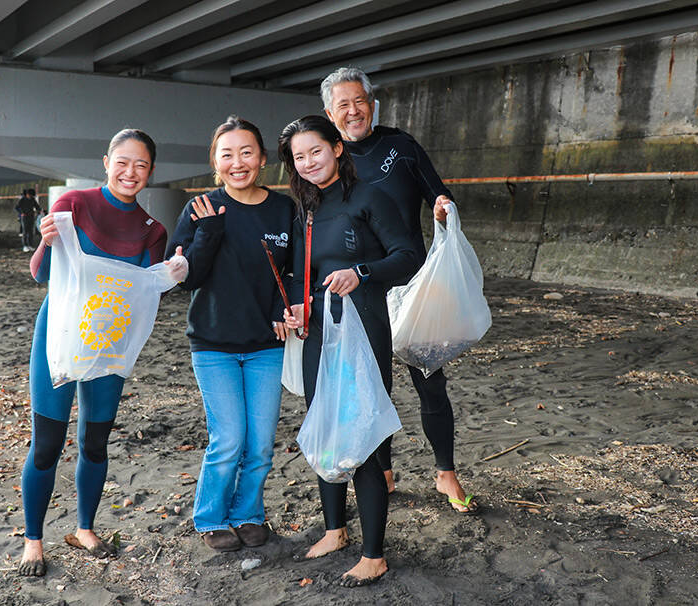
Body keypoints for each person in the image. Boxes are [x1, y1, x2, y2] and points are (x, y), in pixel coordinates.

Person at [19, 129, 183, 577]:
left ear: (151, 172)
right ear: (106, 161)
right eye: (123, 162)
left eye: (142, 165)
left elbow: (144, 295)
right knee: (47, 445)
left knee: (95, 441)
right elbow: (40, 276)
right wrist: (46, 241)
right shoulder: (73, 205)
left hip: (109, 345)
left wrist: (172, 273)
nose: (131, 172)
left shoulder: (153, 229)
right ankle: (33, 540)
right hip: (59, 337)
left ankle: (85, 527)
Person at [320, 67, 479, 514]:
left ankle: (445, 472)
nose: (352, 111)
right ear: (329, 114)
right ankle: (384, 470)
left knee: (430, 379)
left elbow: (438, 194)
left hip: (410, 282)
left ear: (372, 103)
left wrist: (445, 207)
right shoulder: (328, 160)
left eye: (359, 101)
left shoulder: (401, 147)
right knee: (373, 386)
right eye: (342, 105)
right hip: (360, 291)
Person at [279, 115, 416, 586]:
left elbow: (408, 255)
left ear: (338, 148)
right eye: (299, 157)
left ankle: (374, 553)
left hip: (364, 331)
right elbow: (300, 273)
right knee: (326, 426)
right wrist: (294, 306)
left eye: (316, 151)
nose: (308, 162)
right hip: (318, 334)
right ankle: (335, 530)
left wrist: (362, 271)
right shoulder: (303, 208)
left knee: (364, 433)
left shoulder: (370, 196)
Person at [166, 116, 294, 552]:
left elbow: (295, 271)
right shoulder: (200, 207)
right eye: (227, 154)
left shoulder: (283, 209)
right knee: (230, 438)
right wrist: (209, 232)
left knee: (260, 443)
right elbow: (184, 278)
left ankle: (248, 513)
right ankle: (210, 517)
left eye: (246, 153)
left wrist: (284, 306)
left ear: (262, 159)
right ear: (215, 161)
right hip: (214, 344)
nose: (237, 162)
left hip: (266, 345)